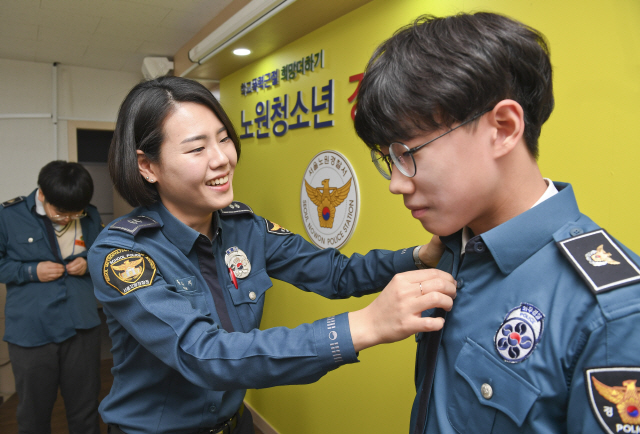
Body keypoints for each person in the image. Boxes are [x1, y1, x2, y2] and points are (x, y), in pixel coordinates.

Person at [87, 76, 457, 434]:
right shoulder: (123, 253)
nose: (222, 159)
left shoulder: (246, 227)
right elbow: (201, 353)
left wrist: (420, 256)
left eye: (224, 139)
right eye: (197, 149)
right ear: (147, 166)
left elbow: (335, 274)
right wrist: (364, 326)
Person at [354, 12, 640, 434]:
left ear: (503, 128)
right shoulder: (452, 245)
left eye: (408, 153)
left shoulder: (610, 312)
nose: (396, 183)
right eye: (387, 160)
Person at [0, 161, 103, 434]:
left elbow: (103, 257)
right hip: (32, 330)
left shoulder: (91, 215)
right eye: (61, 212)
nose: (68, 218)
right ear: (42, 194)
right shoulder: (8, 215)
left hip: (82, 325)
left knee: (86, 410)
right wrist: (31, 271)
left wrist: (87, 263)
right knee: (34, 414)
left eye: (75, 213)